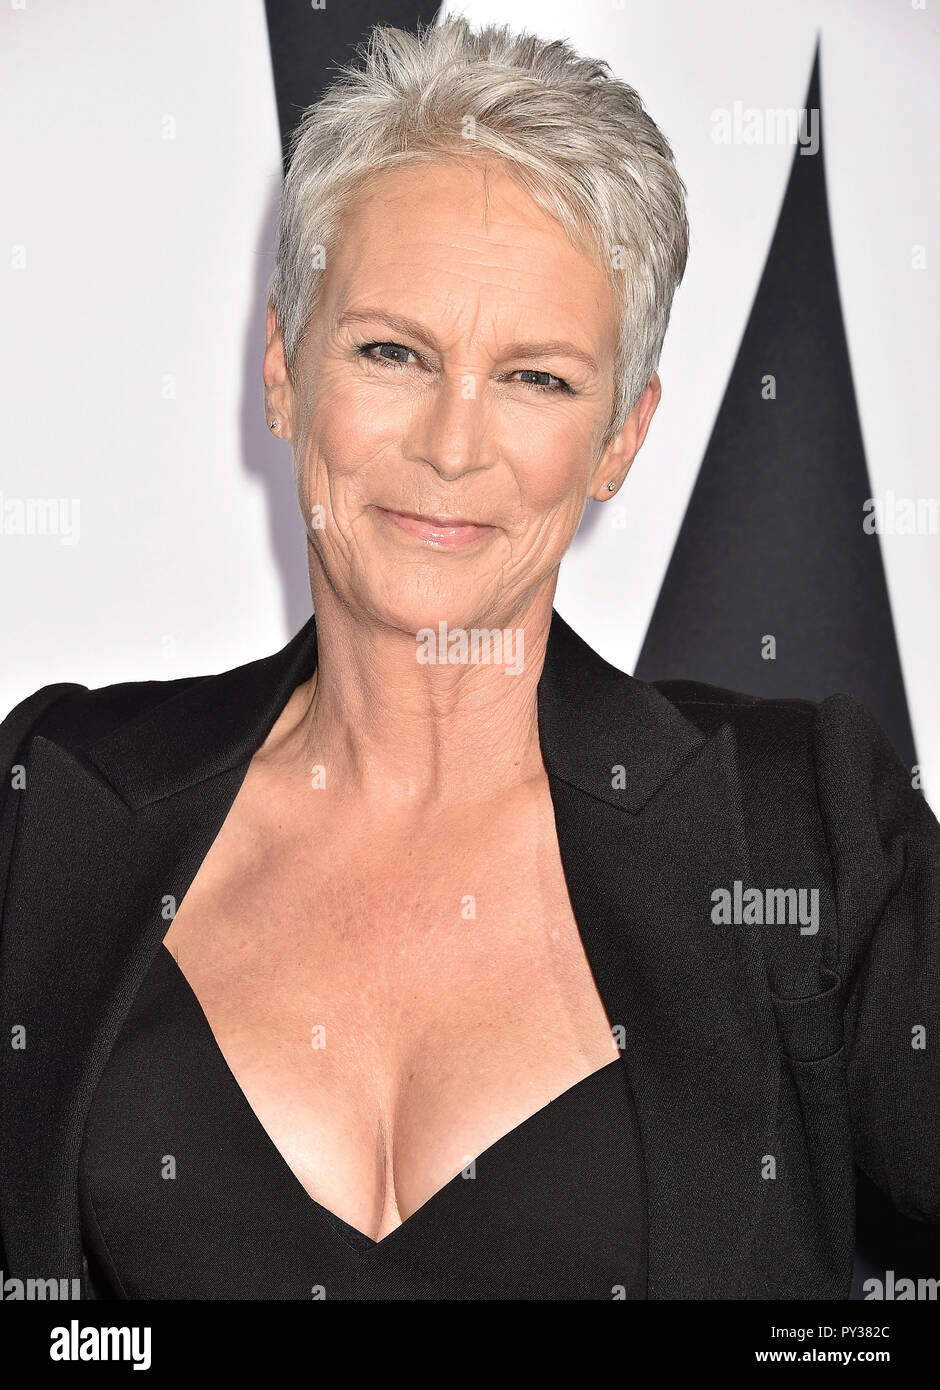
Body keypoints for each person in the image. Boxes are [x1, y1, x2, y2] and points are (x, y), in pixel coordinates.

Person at [0, 16, 936, 1301]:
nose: (452, 444)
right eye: (392, 350)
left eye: (537, 379)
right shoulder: (49, 801)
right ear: (281, 368)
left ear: (620, 437)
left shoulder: (798, 833)